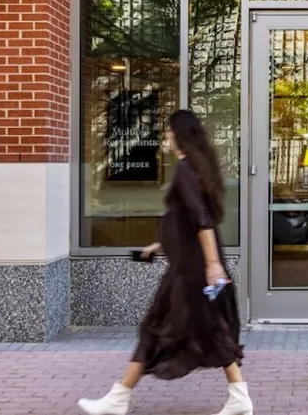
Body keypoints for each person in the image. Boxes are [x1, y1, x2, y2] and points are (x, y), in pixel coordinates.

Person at [78, 109, 252, 415]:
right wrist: (159, 245)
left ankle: (118, 399)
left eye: (169, 130)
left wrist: (212, 265)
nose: (166, 136)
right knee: (210, 329)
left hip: (190, 272)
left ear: (178, 133)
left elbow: (201, 220)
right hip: (192, 266)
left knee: (157, 329)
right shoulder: (199, 167)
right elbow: (187, 222)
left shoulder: (185, 168)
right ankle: (239, 397)